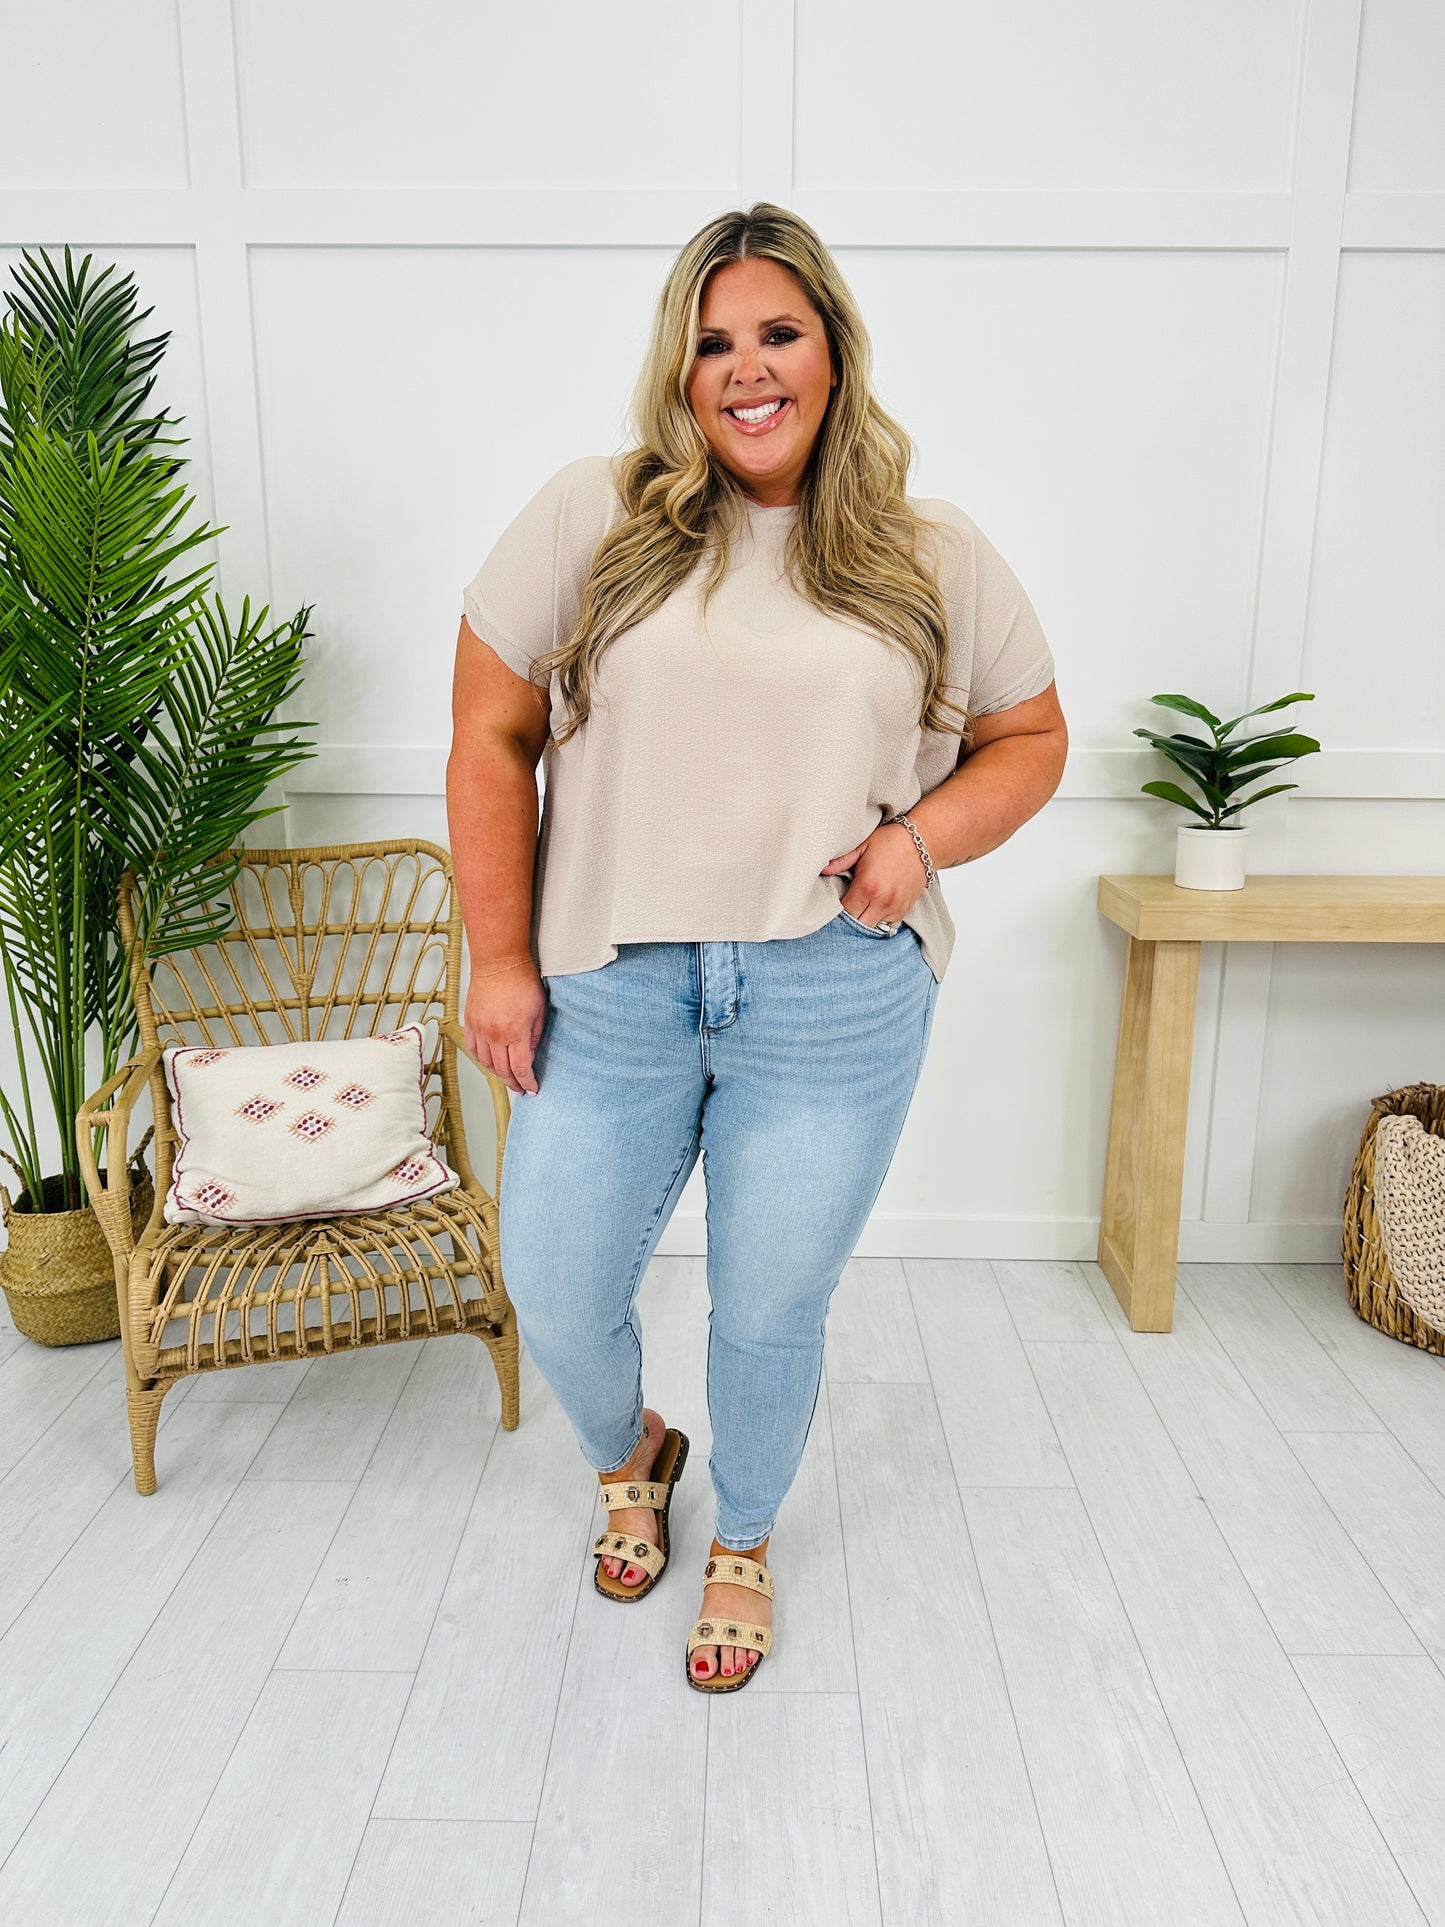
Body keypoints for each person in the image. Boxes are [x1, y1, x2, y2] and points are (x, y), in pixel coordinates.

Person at [446, 202, 1068, 1694]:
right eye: (712, 341)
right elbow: (487, 734)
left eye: (778, 333)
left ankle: (744, 1534)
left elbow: (1031, 737)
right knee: (556, 1285)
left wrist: (920, 840)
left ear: (832, 351)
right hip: (610, 982)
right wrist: (500, 958)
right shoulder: (589, 519)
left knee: (771, 1304)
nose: (747, 369)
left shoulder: (927, 549)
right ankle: (634, 1454)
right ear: (679, 367)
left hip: (831, 990)